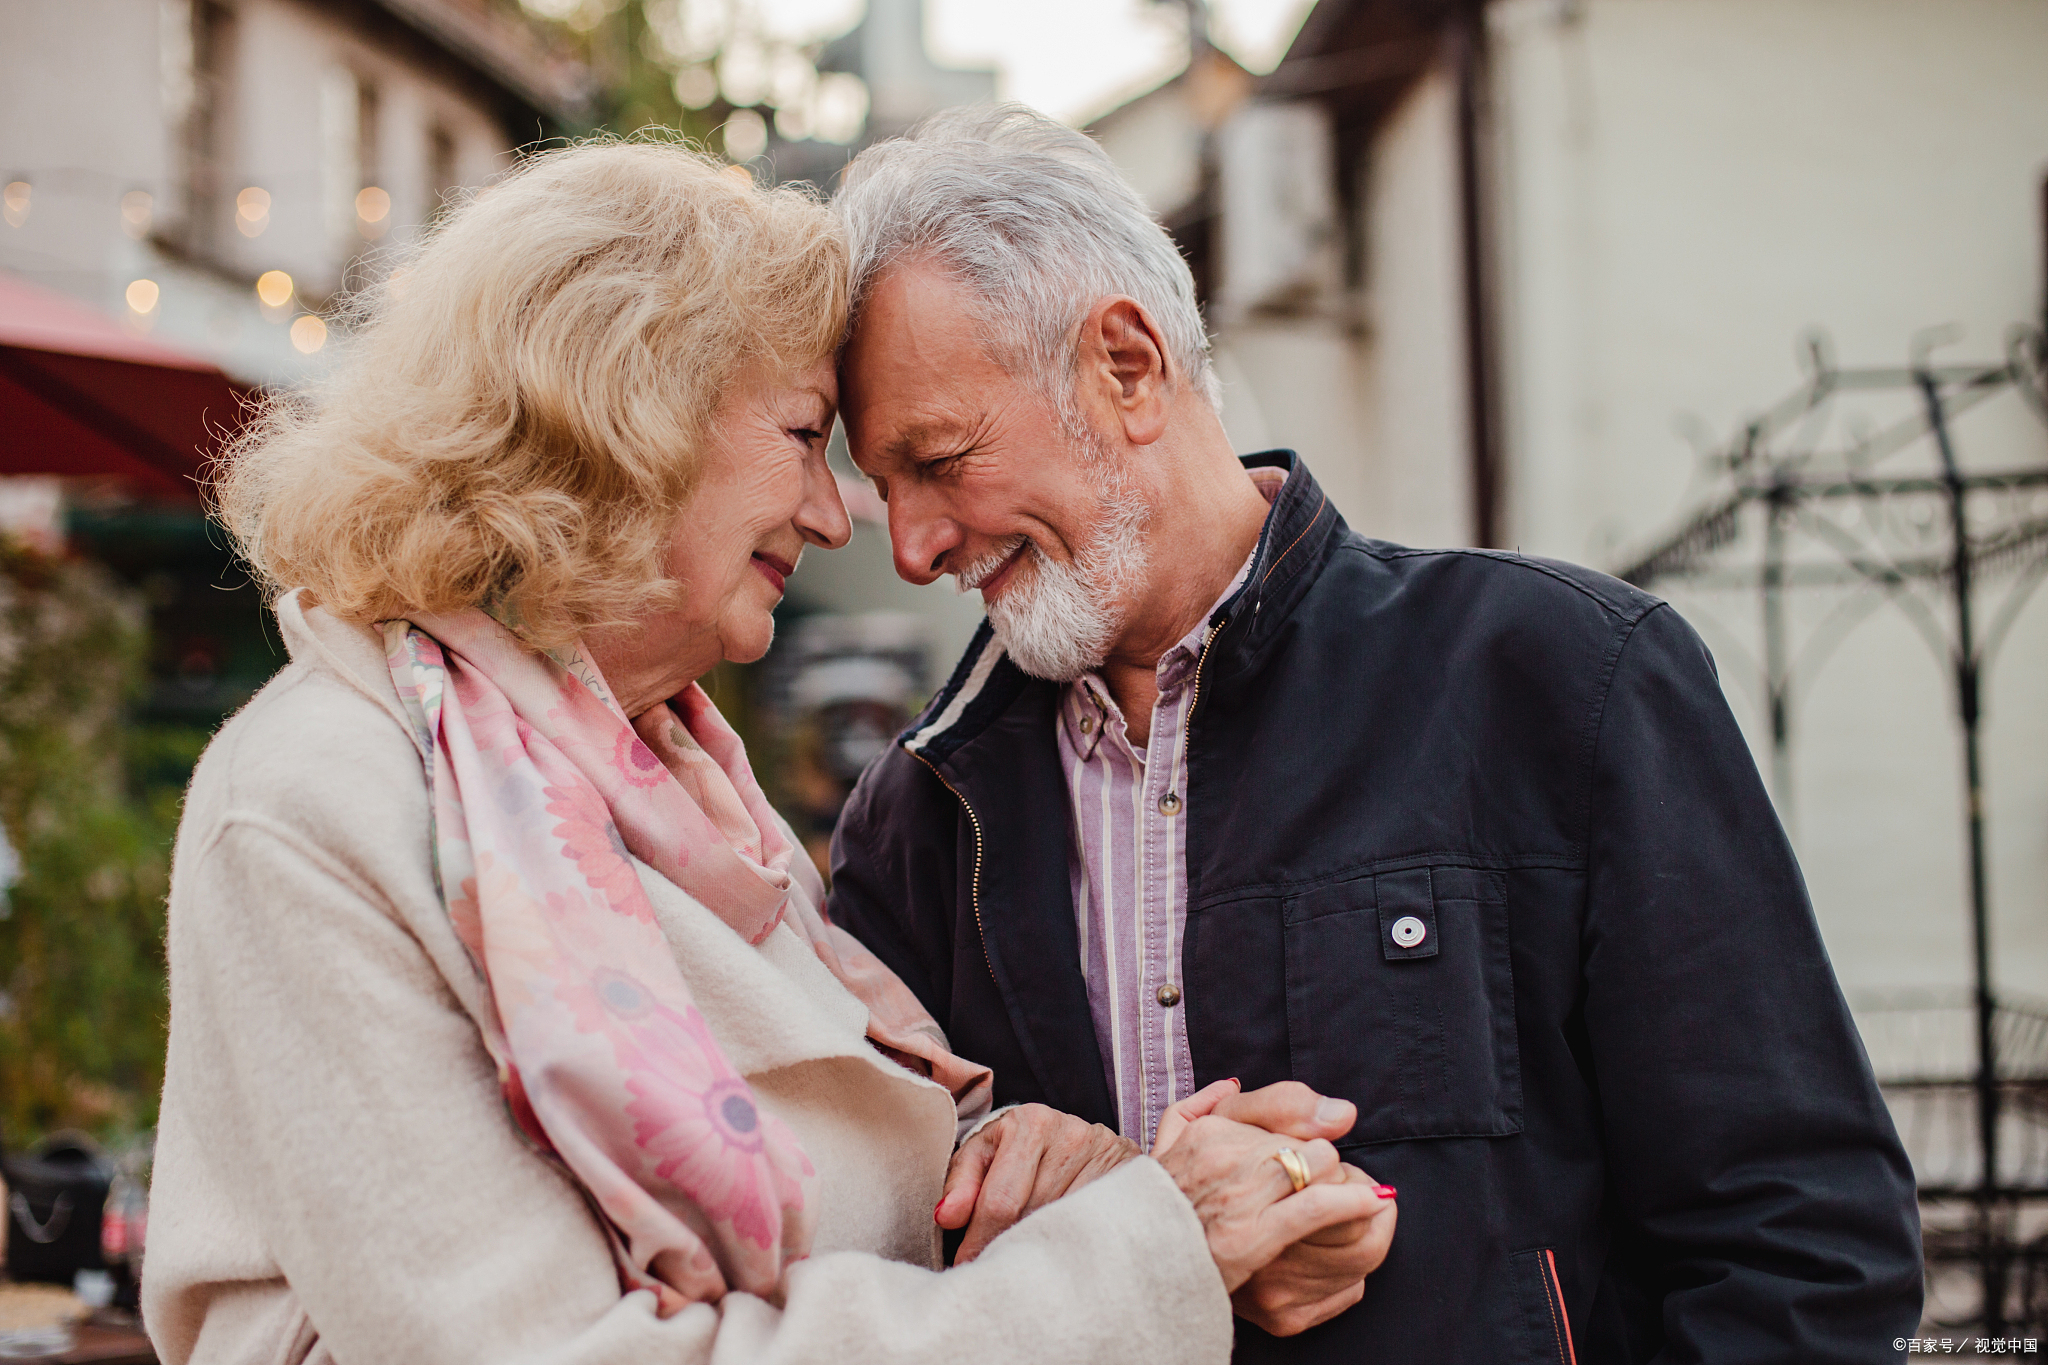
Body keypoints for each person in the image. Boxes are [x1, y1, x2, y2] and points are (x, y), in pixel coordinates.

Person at [142, 140, 1396, 1365]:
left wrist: (1068, 1168)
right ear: (625, 413)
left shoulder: (668, 788)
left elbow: (863, 1188)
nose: (839, 521)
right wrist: (1146, 1250)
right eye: (806, 438)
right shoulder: (317, 803)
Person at [825, 106, 1926, 1363]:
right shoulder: (913, 819)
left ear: (1124, 367)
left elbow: (1803, 1254)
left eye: (939, 461)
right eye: (883, 486)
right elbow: (879, 1271)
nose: (910, 550)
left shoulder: (1564, 680)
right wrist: (1096, 1211)